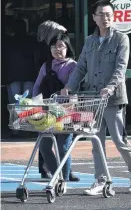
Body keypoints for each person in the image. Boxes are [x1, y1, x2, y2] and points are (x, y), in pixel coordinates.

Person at [61, 0, 131, 195]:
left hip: (113, 99)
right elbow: (81, 67)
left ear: (113, 16)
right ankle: (101, 180)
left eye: (109, 14)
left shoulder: (121, 39)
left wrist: (110, 87)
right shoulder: (90, 41)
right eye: (102, 14)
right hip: (93, 99)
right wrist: (69, 87)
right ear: (94, 18)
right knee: (96, 141)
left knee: (119, 140)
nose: (106, 18)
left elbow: (120, 68)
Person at [34, 20, 80, 182]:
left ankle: (65, 179)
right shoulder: (46, 66)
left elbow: (76, 87)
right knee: (45, 146)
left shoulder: (73, 66)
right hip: (48, 113)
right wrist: (35, 104)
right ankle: (57, 176)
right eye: (54, 47)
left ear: (68, 48)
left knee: (62, 147)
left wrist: (71, 98)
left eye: (61, 46)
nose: (57, 50)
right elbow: (37, 86)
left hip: (66, 111)